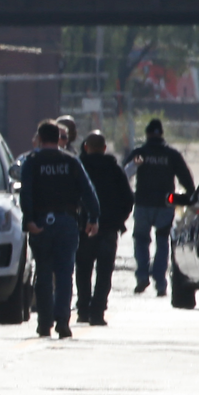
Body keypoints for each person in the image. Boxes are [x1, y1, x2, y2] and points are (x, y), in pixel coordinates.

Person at [20, 119, 101, 338]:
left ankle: (44, 322)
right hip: (67, 221)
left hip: (41, 222)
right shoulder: (71, 161)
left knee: (44, 273)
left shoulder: (32, 161)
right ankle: (62, 321)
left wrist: (28, 220)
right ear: (58, 138)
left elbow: (25, 193)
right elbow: (88, 190)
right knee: (65, 273)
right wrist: (93, 217)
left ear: (39, 138)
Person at [123, 118, 196, 296]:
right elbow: (185, 177)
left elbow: (122, 174)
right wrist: (192, 196)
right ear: (161, 134)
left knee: (141, 240)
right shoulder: (171, 154)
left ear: (147, 134)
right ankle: (160, 281)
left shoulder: (140, 153)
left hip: (143, 203)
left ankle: (142, 276)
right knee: (163, 241)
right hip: (165, 204)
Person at [77, 130, 132, 326]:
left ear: (86, 147)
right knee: (104, 272)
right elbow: (128, 199)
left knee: (83, 270)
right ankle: (97, 312)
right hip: (108, 229)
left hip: (83, 228)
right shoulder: (115, 170)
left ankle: (83, 310)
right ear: (104, 148)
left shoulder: (79, 167)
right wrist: (118, 220)